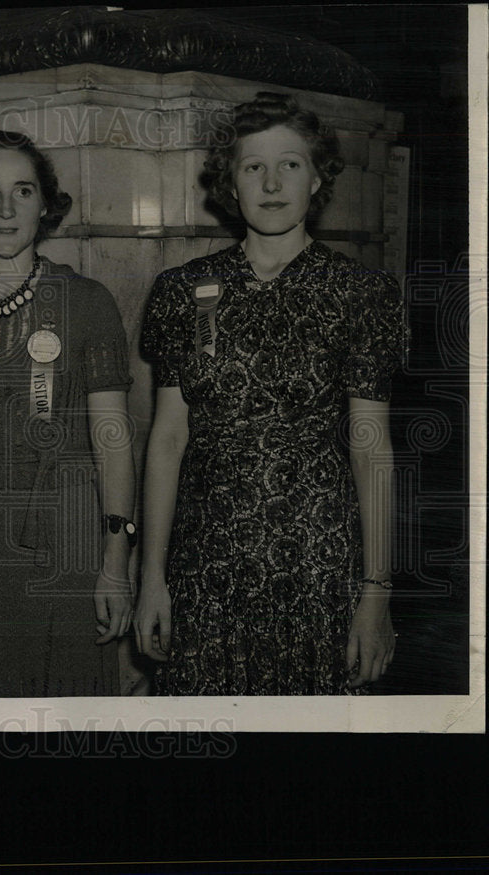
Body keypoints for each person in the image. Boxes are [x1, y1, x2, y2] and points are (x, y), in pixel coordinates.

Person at [135, 92, 403, 695]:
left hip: (319, 564)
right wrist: (152, 576)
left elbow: (372, 447)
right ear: (230, 183)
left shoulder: (360, 293)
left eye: (290, 164)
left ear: (317, 178)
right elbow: (168, 439)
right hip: (206, 567)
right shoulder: (183, 291)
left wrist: (377, 593)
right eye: (253, 166)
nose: (272, 181)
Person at [0, 130, 135, 697]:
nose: (7, 209)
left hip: (67, 536)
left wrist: (116, 558)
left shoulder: (87, 301)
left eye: (23, 191)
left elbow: (112, 440)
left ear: (45, 204)